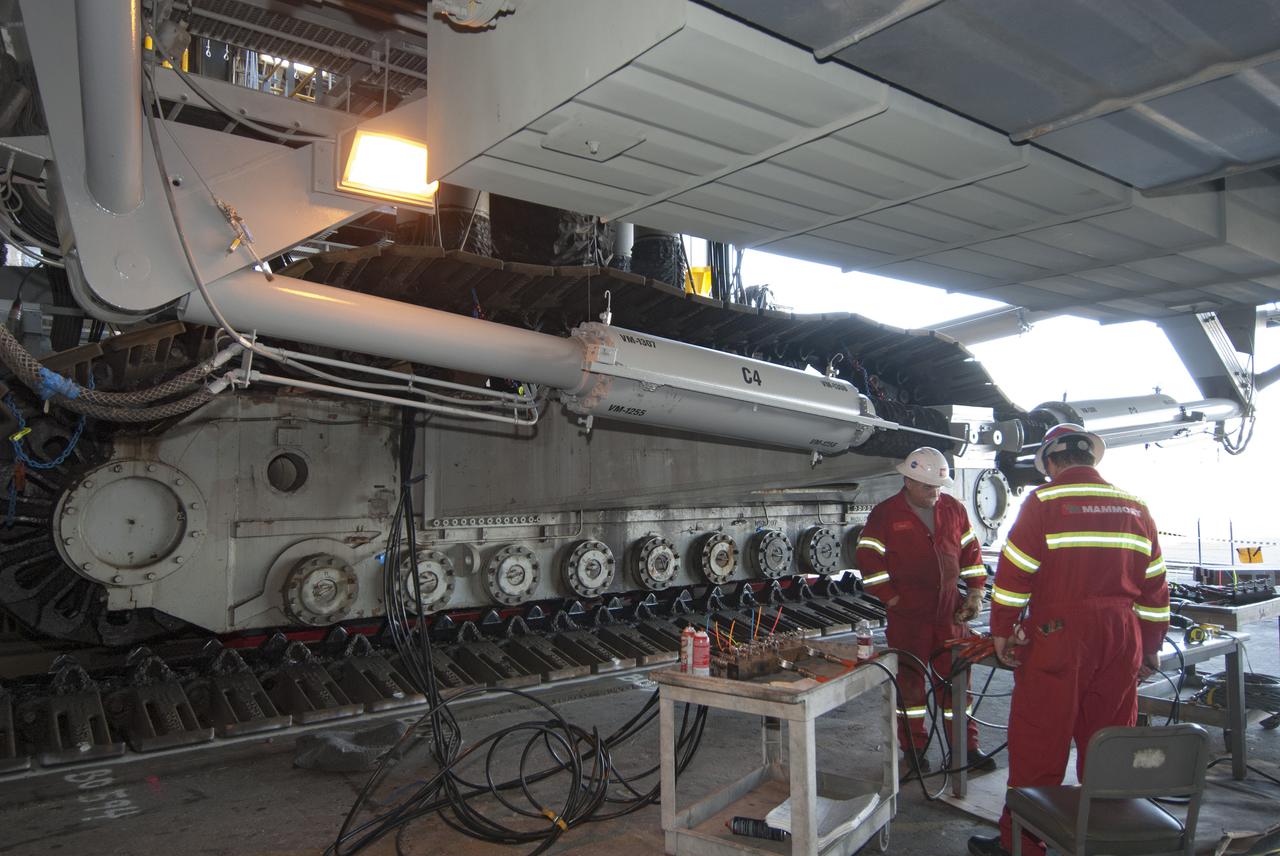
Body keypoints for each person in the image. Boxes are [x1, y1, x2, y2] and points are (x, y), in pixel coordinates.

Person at [968, 424, 1170, 856]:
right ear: (1092, 460)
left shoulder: (1044, 502)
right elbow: (1155, 589)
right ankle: (1106, 839)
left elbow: (1013, 576)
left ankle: (1022, 843)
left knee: (1040, 739)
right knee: (1109, 740)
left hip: (1059, 636)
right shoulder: (1136, 507)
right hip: (1121, 636)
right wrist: (1149, 643)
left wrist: (1003, 631)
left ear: (1053, 462)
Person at [856, 447, 996, 778]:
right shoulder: (886, 514)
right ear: (908, 480)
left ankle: (966, 748)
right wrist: (889, 597)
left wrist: (975, 592)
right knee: (910, 688)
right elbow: (868, 557)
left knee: (958, 684)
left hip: (950, 614)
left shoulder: (954, 509)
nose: (934, 493)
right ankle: (915, 752)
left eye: (938, 487)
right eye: (927, 487)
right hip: (909, 617)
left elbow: (971, 553)